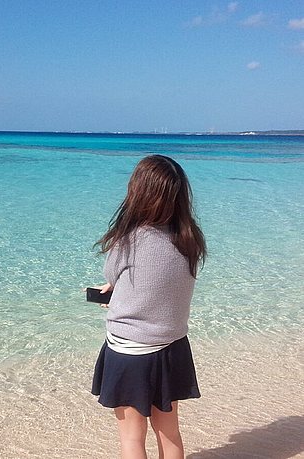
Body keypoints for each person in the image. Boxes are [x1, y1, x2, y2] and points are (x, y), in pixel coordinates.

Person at [91, 155, 206, 459]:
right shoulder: (189, 239)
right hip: (172, 348)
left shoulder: (128, 239)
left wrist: (117, 293)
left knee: (132, 439)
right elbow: (162, 281)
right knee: (169, 432)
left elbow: (112, 273)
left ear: (137, 193)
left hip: (131, 352)